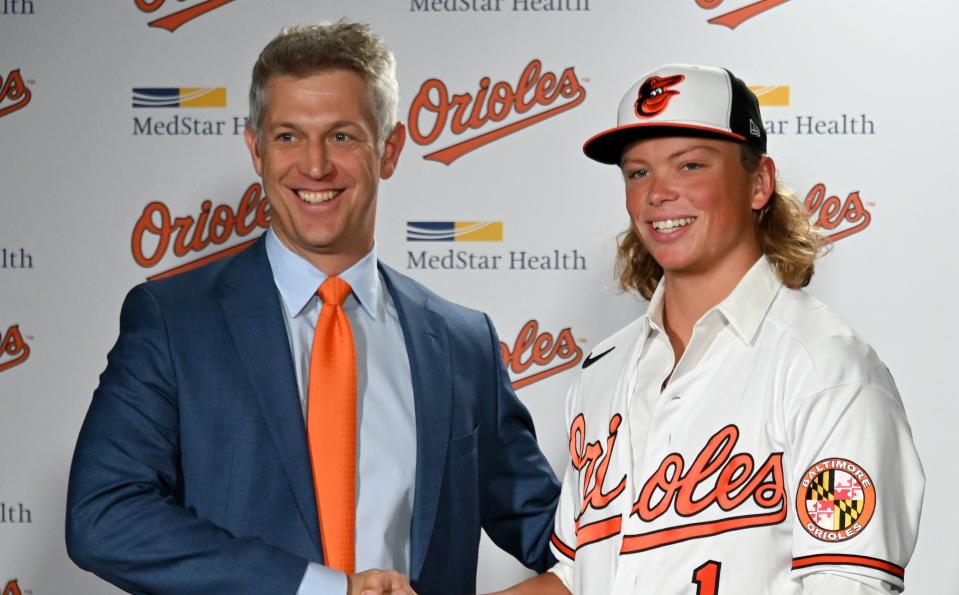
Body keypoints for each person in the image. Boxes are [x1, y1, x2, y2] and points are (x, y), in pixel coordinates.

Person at [66, 21, 559, 595]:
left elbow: (558, 533)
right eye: (288, 137)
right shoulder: (175, 322)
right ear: (256, 150)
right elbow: (104, 516)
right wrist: (319, 588)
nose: (316, 165)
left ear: (390, 149)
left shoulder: (462, 342)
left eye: (343, 136)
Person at [492, 64, 924, 594]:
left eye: (690, 165)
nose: (657, 194)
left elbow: (846, 582)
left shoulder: (826, 367)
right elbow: (579, 576)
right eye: (638, 172)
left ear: (759, 183)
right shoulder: (603, 369)